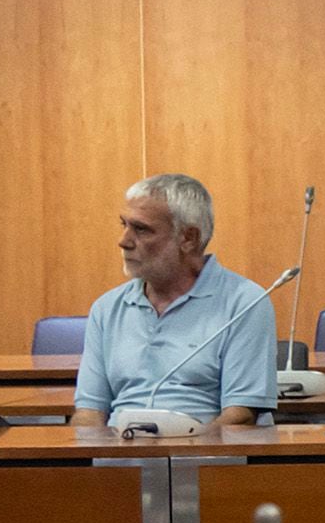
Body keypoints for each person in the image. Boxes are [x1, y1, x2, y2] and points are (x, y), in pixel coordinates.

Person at [70, 175, 277, 429]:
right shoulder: (106, 308)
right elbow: (89, 412)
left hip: (204, 460)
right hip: (120, 458)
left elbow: (240, 416)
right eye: (123, 225)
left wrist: (180, 454)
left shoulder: (245, 301)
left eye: (141, 229)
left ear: (188, 238)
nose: (123, 241)